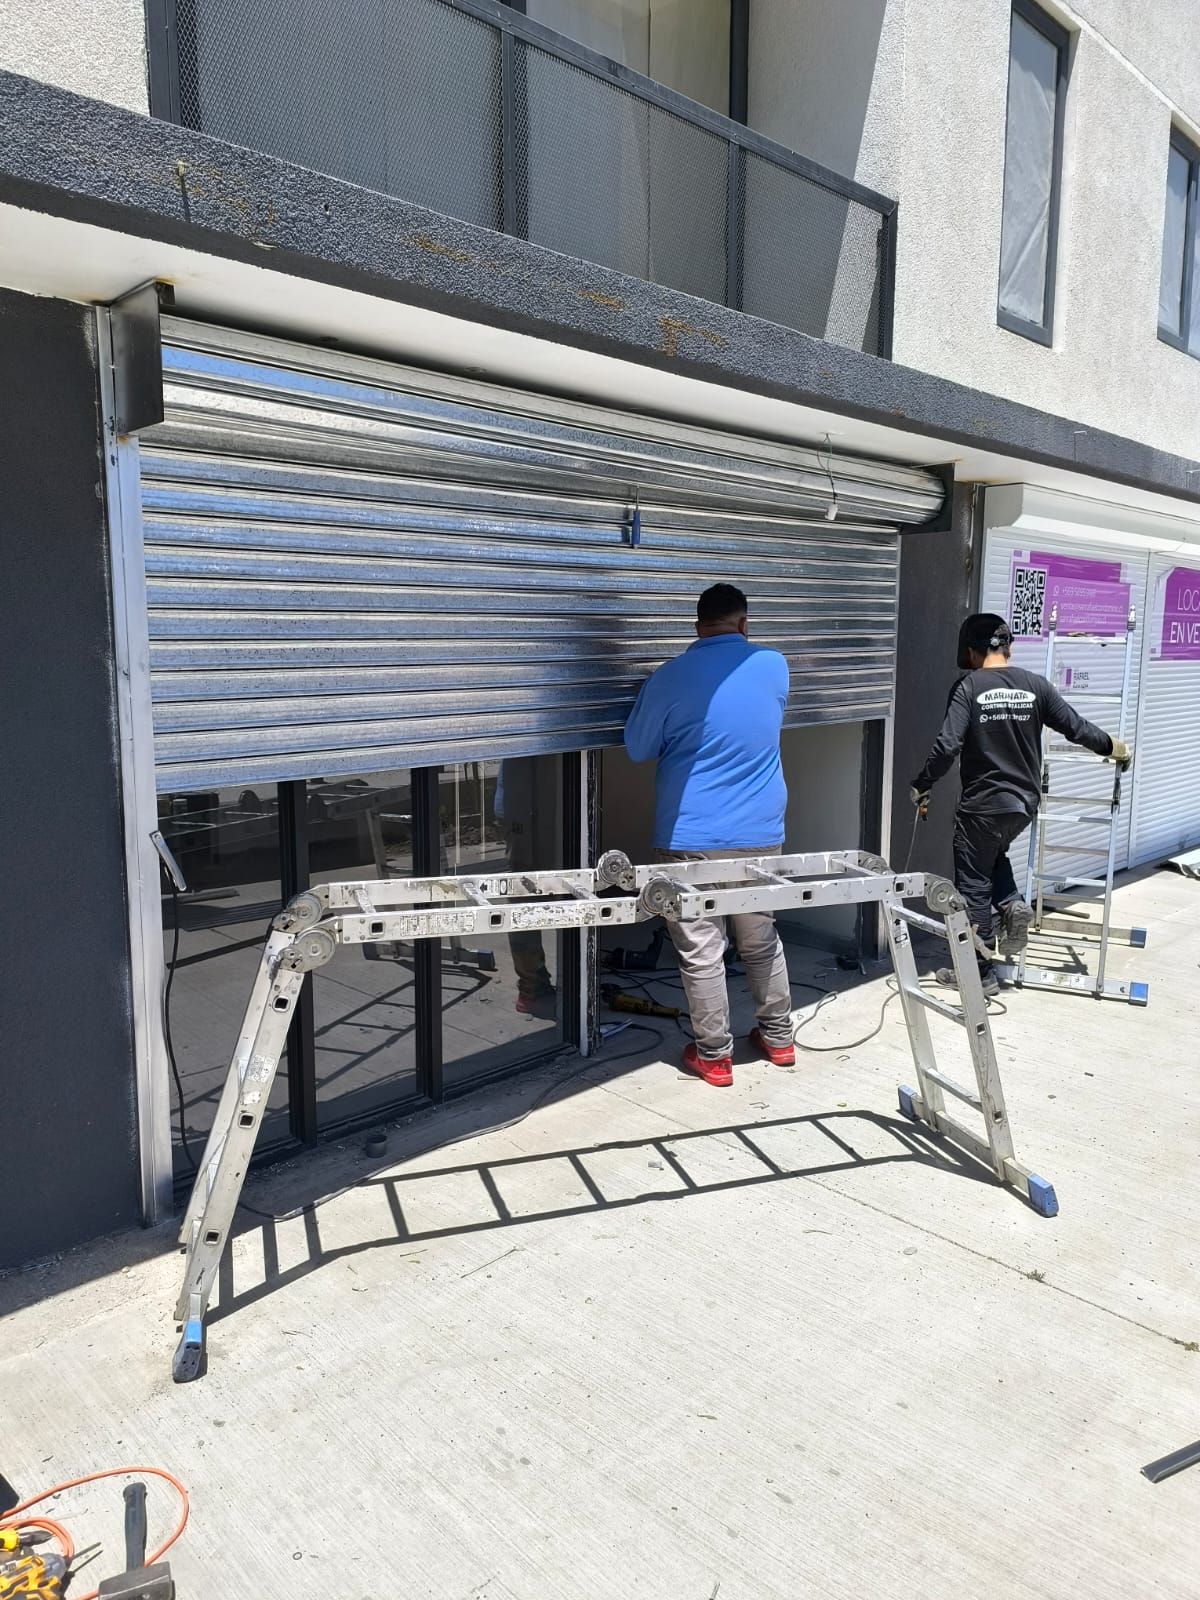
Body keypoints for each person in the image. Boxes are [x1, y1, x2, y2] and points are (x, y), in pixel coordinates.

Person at [623, 582, 794, 1087]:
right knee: (760, 936)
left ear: (696, 628)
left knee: (702, 947)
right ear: (745, 623)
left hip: (691, 832)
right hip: (762, 830)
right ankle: (779, 1039)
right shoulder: (774, 665)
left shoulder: (670, 677)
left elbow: (637, 748)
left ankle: (715, 1056)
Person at [910, 612, 1130, 997]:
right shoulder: (1035, 686)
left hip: (982, 806)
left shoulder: (969, 687)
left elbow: (948, 745)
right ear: (1007, 647)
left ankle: (978, 975)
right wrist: (1113, 746)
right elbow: (1075, 728)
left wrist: (923, 784)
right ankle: (1012, 906)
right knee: (993, 858)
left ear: (971, 652)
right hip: (1022, 804)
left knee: (974, 884)